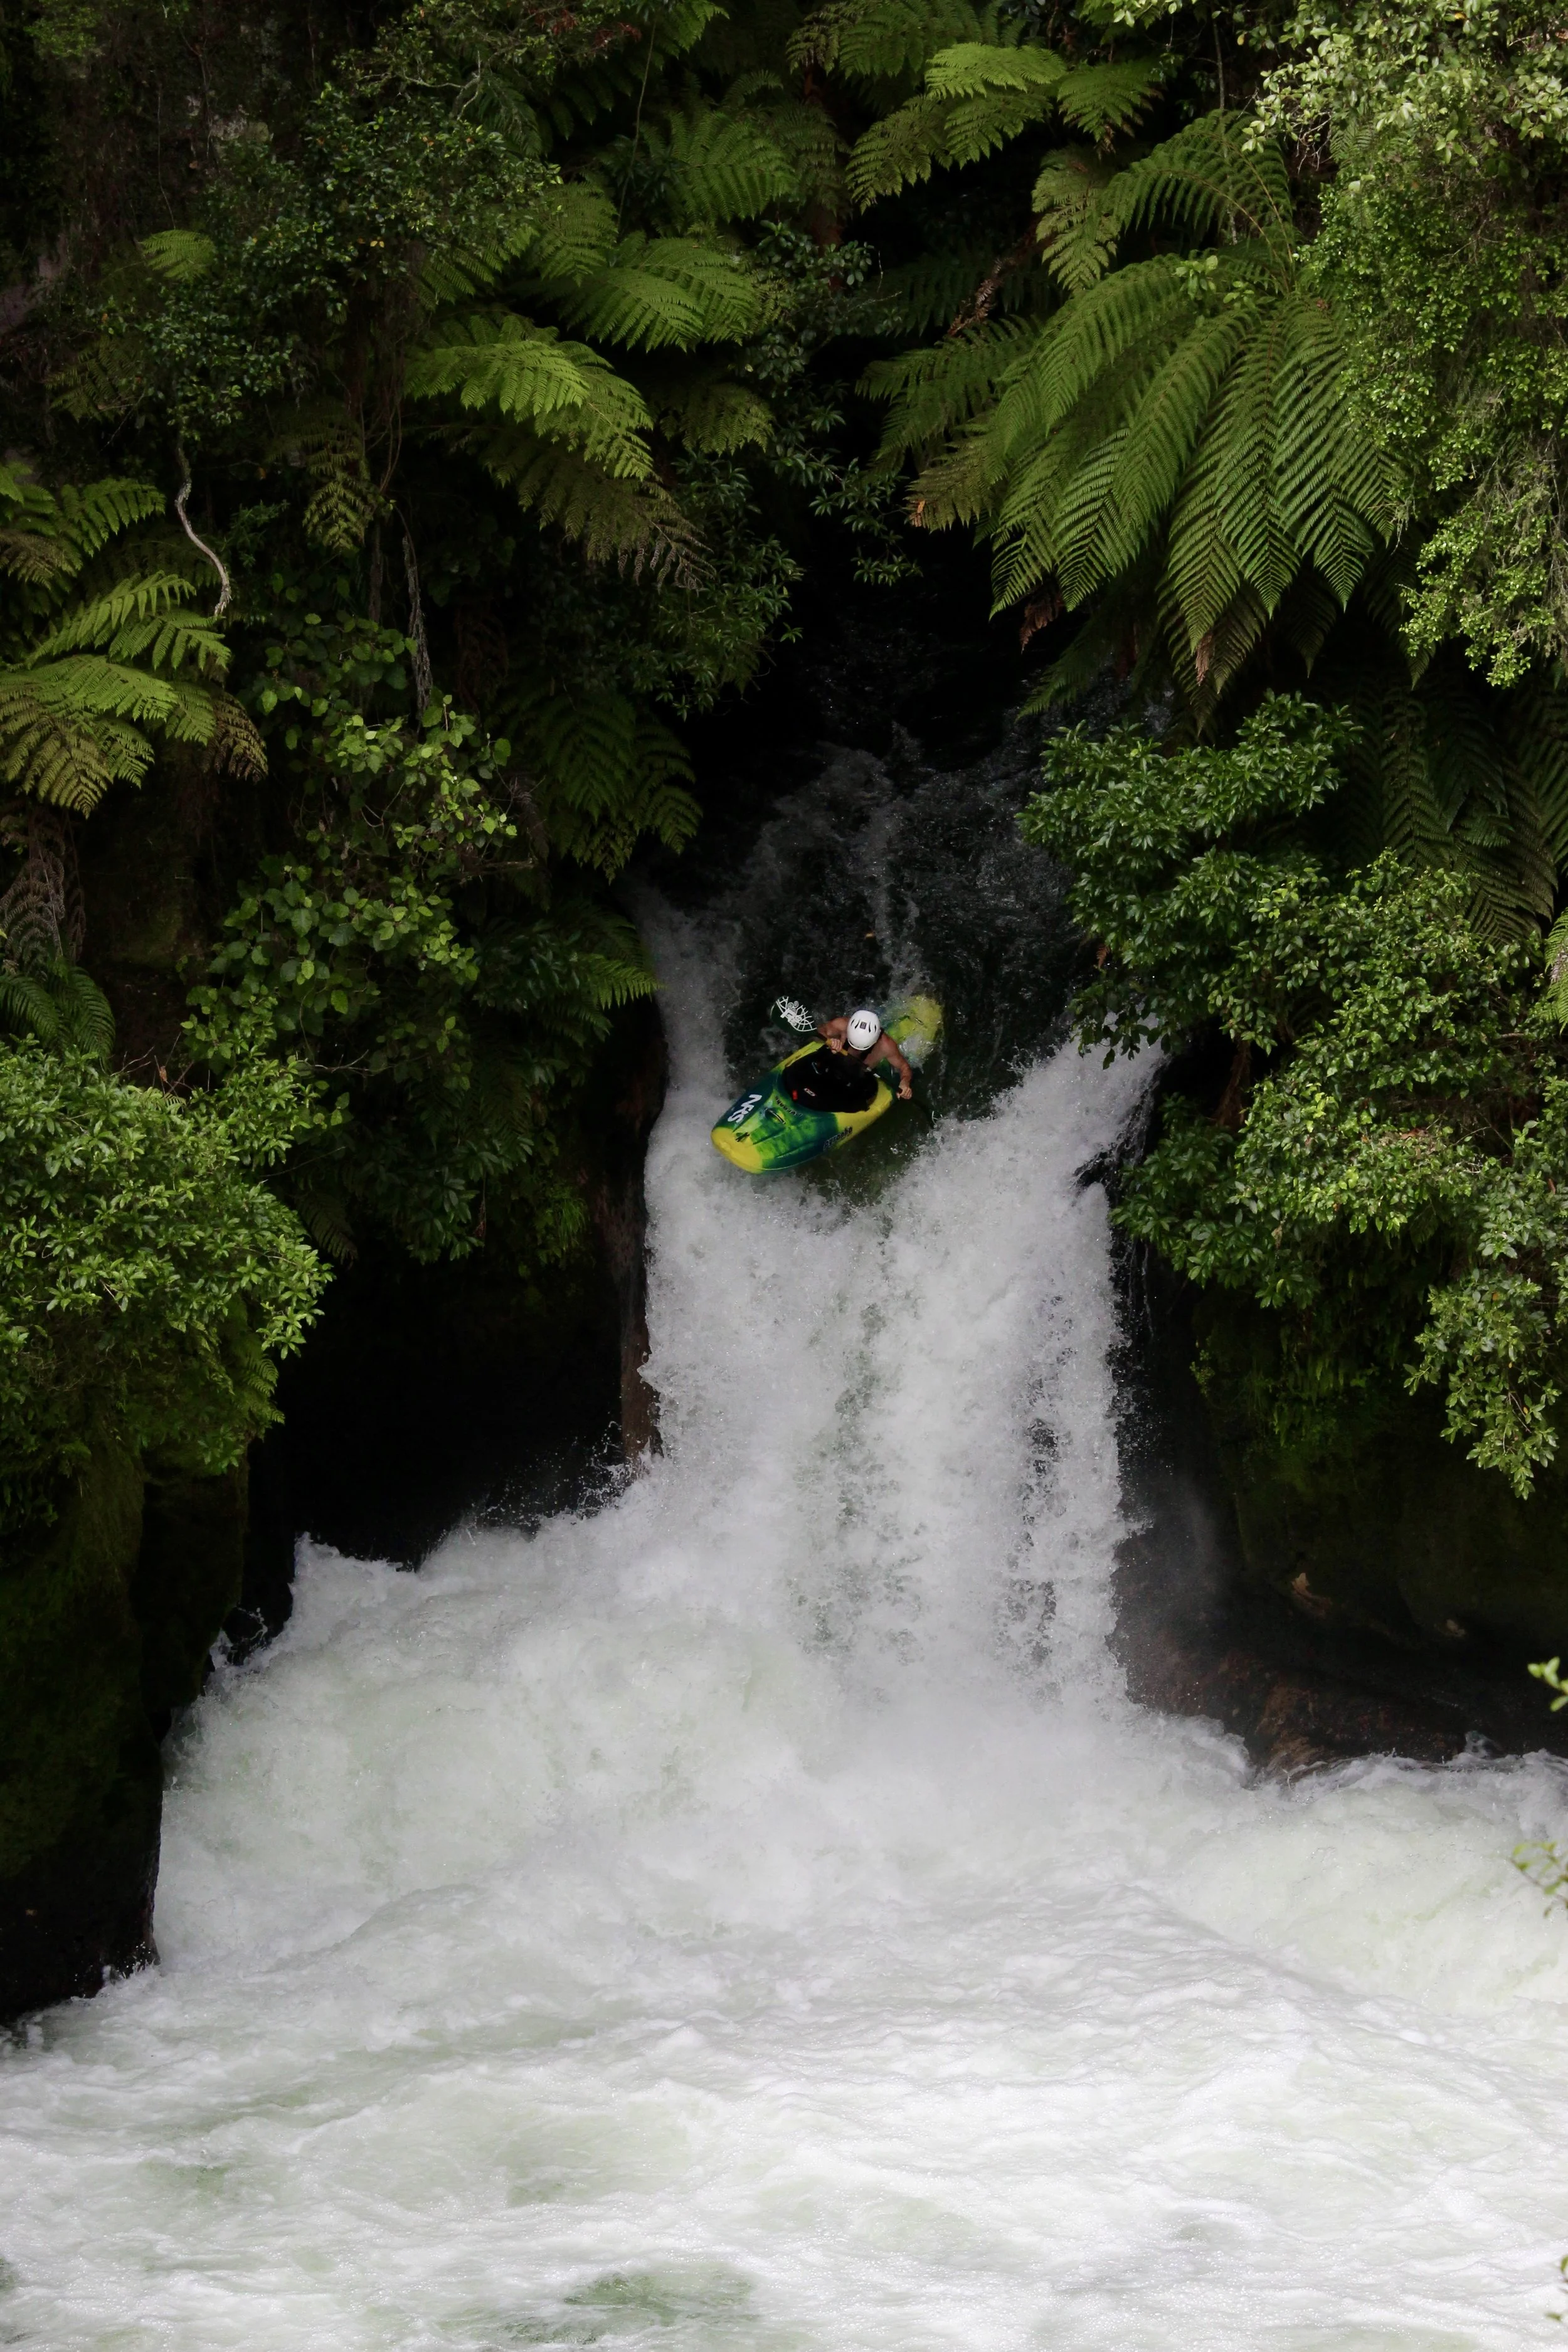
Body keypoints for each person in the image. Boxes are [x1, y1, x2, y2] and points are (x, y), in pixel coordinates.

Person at [785, 1006, 914, 1113]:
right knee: (795, 1073)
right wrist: (830, 1041)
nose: (855, 1049)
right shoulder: (842, 1024)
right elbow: (819, 1032)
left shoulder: (886, 1046)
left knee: (848, 1102)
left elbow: (904, 1067)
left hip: (852, 1080)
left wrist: (905, 1082)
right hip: (829, 1065)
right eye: (852, 1044)